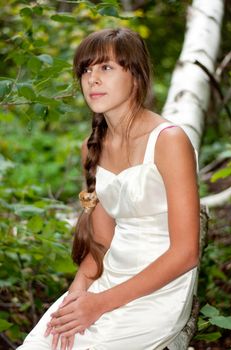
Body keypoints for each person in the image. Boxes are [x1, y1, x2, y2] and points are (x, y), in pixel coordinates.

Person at [17, 27, 200, 350]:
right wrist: (78, 293)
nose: (93, 79)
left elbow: (186, 253)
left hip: (158, 289)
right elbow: (101, 242)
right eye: (86, 69)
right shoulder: (92, 147)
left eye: (106, 67)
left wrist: (100, 305)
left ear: (136, 76)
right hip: (110, 274)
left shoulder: (169, 141)